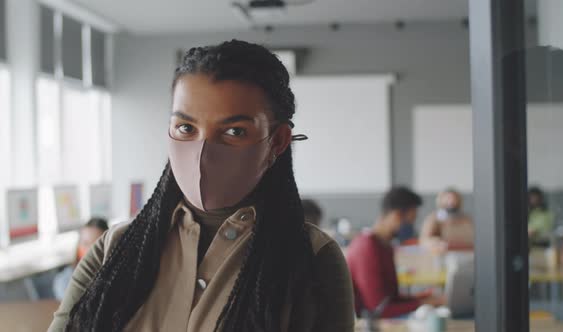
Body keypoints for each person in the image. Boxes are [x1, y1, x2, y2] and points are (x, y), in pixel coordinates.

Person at [49, 41, 354, 332]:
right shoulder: (113, 249)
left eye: (234, 131)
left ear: (277, 141)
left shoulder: (313, 258)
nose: (202, 151)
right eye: (186, 127)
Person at [346, 186, 445, 318]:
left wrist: (424, 298)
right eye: (410, 221)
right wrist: (423, 302)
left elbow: (391, 298)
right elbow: (379, 309)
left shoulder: (385, 245)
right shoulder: (366, 247)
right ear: (397, 215)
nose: (411, 227)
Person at [53, 218, 109, 300]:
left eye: (97, 244)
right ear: (78, 246)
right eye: (85, 243)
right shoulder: (64, 281)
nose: (90, 250)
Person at [419, 189, 474, 254]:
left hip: (468, 251)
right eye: (448, 199)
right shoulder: (434, 219)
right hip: (445, 253)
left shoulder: (467, 219)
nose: (451, 202)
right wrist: (434, 243)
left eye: (454, 199)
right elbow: (425, 239)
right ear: (441, 200)